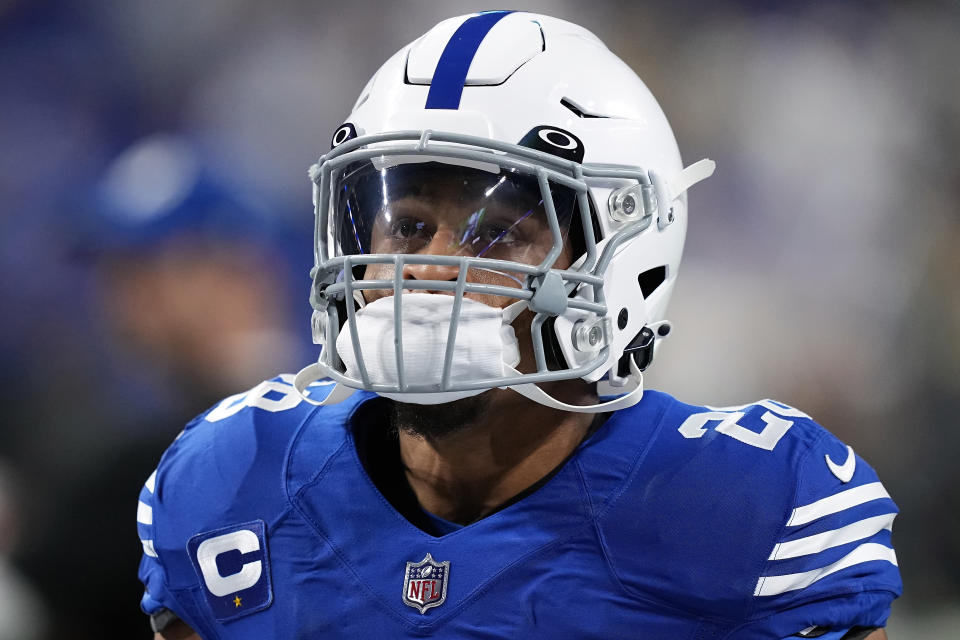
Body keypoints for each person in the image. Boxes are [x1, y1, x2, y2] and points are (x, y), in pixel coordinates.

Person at [137, 12, 901, 639]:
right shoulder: (233, 482)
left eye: (495, 232)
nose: (429, 268)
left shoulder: (746, 509)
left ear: (621, 260)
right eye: (405, 225)